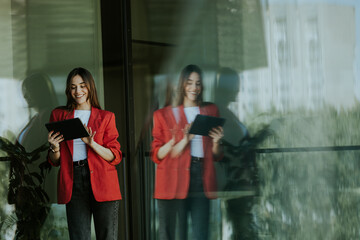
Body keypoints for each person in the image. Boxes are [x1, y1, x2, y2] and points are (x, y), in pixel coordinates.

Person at [47, 67, 122, 240]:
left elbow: (115, 156)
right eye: (73, 87)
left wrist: (92, 144)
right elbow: (55, 161)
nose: (78, 91)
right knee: (79, 236)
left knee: (107, 236)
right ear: (68, 90)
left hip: (103, 181)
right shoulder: (59, 115)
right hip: (73, 181)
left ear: (90, 87)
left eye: (82, 85)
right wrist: (54, 148)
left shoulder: (106, 117)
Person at [151, 64, 223, 240]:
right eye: (189, 82)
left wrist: (216, 142)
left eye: (198, 83)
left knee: (201, 234)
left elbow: (216, 156)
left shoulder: (211, 111)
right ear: (182, 84)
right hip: (177, 177)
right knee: (179, 234)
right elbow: (157, 155)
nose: (194, 88)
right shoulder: (165, 114)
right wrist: (185, 139)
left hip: (202, 177)